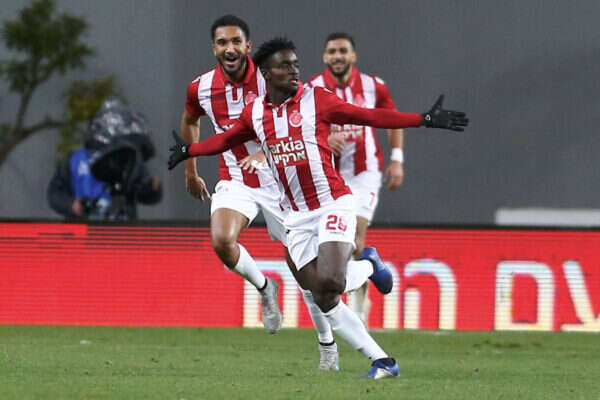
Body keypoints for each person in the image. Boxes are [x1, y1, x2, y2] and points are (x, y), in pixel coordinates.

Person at [168, 37, 468, 378]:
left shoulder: (317, 99)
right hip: (296, 217)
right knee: (323, 297)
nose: (294, 70)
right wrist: (189, 152)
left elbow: (369, 116)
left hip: (332, 204)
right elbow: (224, 140)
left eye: (295, 64)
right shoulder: (255, 114)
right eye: (284, 65)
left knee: (333, 282)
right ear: (266, 73)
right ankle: (383, 357)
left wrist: (423, 119)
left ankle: (368, 278)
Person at [180, 16, 389, 371]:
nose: (229, 48)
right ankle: (265, 288)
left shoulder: (271, 76)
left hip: (283, 186)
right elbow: (190, 120)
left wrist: (269, 152)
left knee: (309, 277)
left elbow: (302, 115)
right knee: (222, 240)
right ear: (214, 48)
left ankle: (327, 347)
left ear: (247, 46)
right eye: (222, 42)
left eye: (236, 41)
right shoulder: (200, 88)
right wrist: (190, 170)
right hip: (236, 178)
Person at [308, 32, 405, 326]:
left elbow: (393, 120)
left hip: (364, 173)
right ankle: (362, 278)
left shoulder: (374, 86)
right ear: (325, 57)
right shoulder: (312, 88)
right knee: (328, 244)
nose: (337, 56)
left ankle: (358, 310)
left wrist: (397, 159)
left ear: (353, 55)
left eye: (343, 50)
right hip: (328, 176)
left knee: (354, 240)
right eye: (332, 51)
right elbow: (301, 129)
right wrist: (325, 139)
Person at [48, 99, 162, 220]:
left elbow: (146, 192)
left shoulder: (128, 158)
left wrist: (153, 188)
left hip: (121, 226)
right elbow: (54, 193)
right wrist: (72, 205)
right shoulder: (75, 159)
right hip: (81, 227)